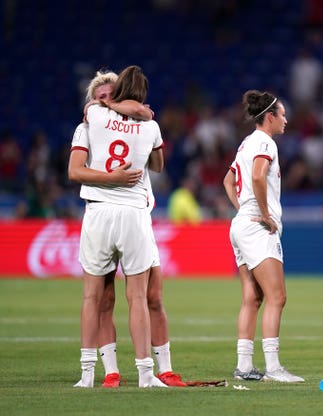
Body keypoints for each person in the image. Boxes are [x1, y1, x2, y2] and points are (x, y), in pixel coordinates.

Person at [72, 70, 186, 388]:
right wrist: (139, 111)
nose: (109, 101)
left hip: (135, 213)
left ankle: (160, 370)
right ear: (96, 100)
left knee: (153, 296)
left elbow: (158, 165)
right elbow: (74, 170)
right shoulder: (90, 126)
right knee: (109, 298)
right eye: (104, 98)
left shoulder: (110, 119)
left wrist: (137, 113)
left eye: (114, 95)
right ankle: (114, 372)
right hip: (116, 210)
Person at [222, 90, 304, 383]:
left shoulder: (246, 143)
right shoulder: (265, 142)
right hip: (257, 226)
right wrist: (265, 214)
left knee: (252, 298)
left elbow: (228, 180)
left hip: (242, 223)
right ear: (269, 116)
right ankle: (273, 368)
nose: (285, 119)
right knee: (277, 296)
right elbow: (258, 176)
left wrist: (243, 208)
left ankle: (244, 366)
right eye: (282, 114)